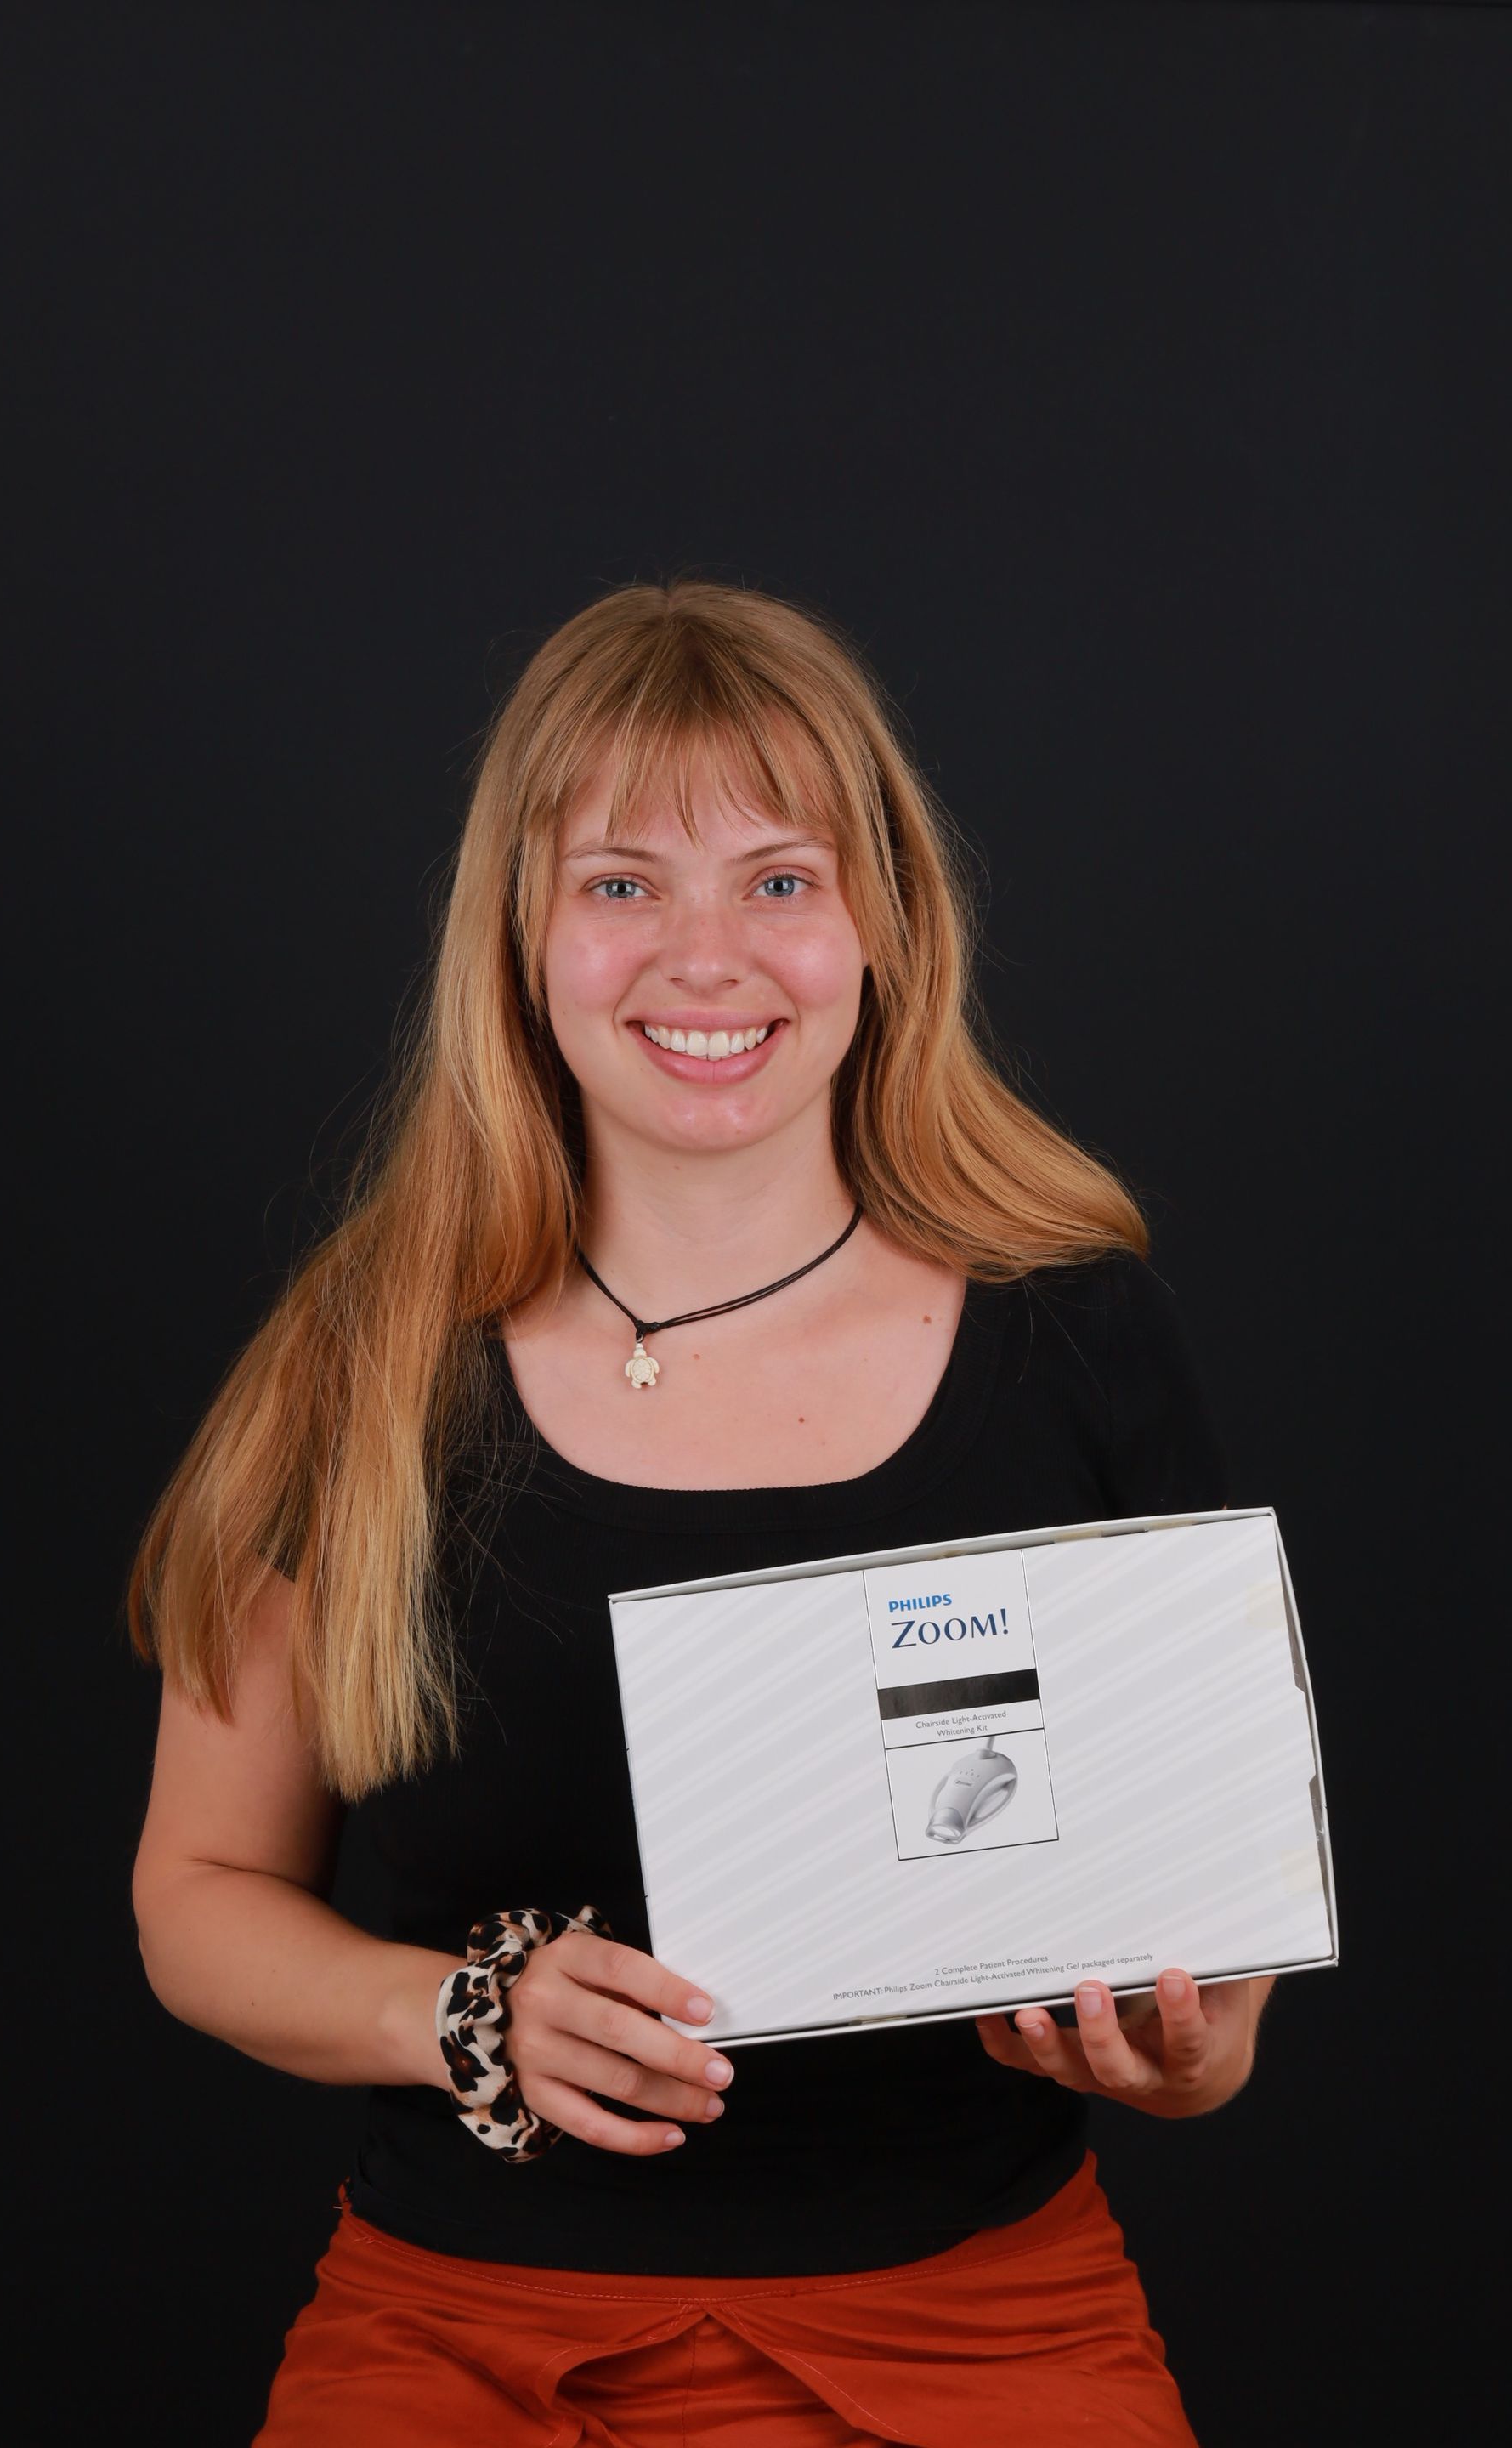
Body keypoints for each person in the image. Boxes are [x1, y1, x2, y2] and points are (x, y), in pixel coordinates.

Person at [129, 581, 1269, 2445]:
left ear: (882, 921)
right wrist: (463, 2020)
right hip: (461, 2339)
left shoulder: (1082, 1333)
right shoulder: (368, 1356)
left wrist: (1190, 2052)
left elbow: (1212, 1980)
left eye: (781, 878)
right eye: (623, 882)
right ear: (523, 932)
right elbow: (196, 1896)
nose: (706, 954)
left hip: (980, 2331)